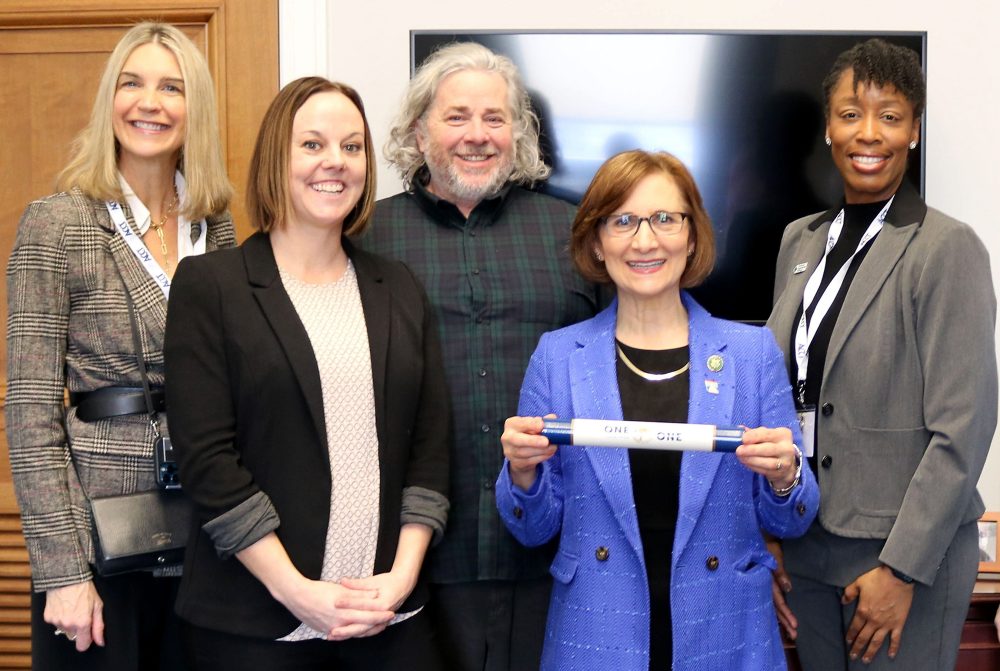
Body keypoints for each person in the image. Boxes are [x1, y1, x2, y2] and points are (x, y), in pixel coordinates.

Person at [163, 77, 449, 670]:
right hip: (256, 624)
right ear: (277, 157)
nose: (335, 163)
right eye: (313, 145)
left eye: (352, 147)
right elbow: (207, 461)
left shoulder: (398, 288)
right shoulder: (211, 287)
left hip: (390, 619)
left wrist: (398, 580)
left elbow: (431, 447)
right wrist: (296, 591)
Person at [497, 150, 819, 670]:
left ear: (692, 236)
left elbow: (793, 517)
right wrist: (522, 471)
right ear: (596, 242)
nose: (644, 240)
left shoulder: (753, 354)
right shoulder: (557, 357)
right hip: (595, 633)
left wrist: (786, 477)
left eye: (665, 219)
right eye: (622, 221)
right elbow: (531, 528)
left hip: (726, 632)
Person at [360, 42, 602, 670]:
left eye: (495, 119)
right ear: (419, 132)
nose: (477, 135)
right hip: (408, 555)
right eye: (457, 116)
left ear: (519, 133)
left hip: (556, 550)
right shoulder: (364, 239)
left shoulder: (573, 234)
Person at [4, 21, 234, 671]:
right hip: (96, 542)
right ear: (110, 100)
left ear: (197, 110)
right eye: (131, 84)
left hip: (204, 530)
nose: (149, 102)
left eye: (171, 86)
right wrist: (61, 570)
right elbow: (28, 407)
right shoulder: (58, 223)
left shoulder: (215, 224)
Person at [767, 38, 997, 670]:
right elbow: (784, 391)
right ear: (829, 127)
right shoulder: (801, 240)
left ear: (914, 131)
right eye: (850, 114)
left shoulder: (946, 248)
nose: (868, 134)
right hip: (806, 542)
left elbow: (965, 428)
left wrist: (901, 569)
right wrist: (773, 528)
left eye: (890, 116)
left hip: (899, 554)